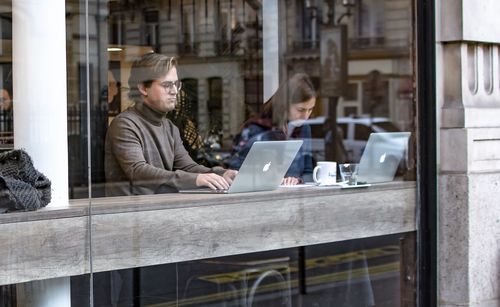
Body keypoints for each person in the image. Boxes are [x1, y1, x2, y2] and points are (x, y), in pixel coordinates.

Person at [104, 52, 237, 196]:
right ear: (143, 88)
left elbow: (187, 166)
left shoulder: (169, 127)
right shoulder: (125, 124)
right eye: (167, 85)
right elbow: (138, 171)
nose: (174, 91)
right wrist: (196, 180)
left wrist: (221, 173)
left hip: (158, 209)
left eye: (176, 84)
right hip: (128, 213)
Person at [227, 73, 316, 185]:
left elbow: (308, 171)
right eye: (301, 110)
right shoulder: (256, 129)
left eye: (310, 110)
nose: (306, 116)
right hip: (260, 196)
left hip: (295, 196)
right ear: (285, 105)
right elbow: (235, 171)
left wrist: (298, 180)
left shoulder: (304, 128)